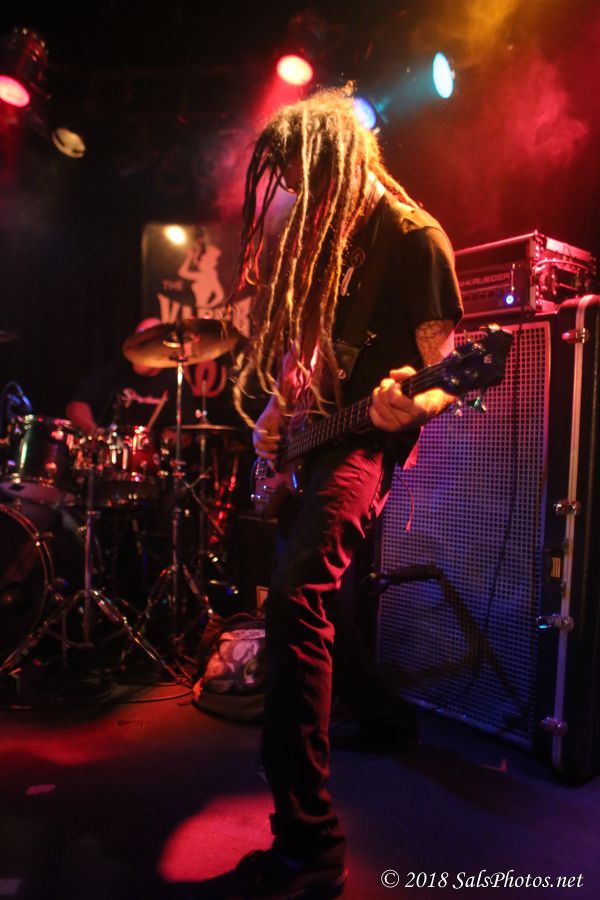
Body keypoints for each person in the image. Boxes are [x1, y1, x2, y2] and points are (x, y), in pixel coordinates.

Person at [226, 86, 463, 899]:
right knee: (322, 597)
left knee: (297, 600)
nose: (298, 196)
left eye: (308, 178)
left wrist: (414, 400)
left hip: (363, 444)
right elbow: (307, 354)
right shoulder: (321, 244)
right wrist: (274, 412)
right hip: (312, 439)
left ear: (343, 160)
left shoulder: (413, 237)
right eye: (290, 183)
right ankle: (385, 719)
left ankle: (310, 844)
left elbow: (447, 372)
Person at [66, 317, 196, 435]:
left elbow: (185, 434)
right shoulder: (113, 374)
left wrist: (170, 440)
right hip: (113, 449)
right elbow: (76, 406)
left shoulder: (177, 384)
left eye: (152, 343)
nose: (146, 347)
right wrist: (93, 432)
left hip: (155, 451)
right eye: (143, 341)